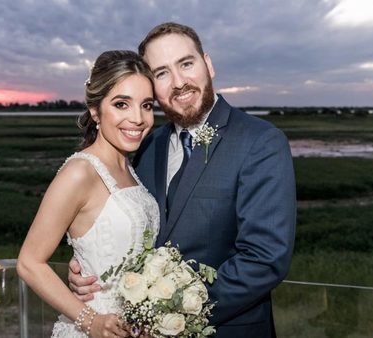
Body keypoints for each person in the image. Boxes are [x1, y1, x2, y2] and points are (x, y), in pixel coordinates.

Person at [69, 22, 297, 338]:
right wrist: (93, 270)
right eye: (161, 73)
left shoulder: (260, 142)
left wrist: (166, 311)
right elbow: (134, 229)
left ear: (209, 64)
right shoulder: (148, 144)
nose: (179, 82)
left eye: (186, 64)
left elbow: (264, 259)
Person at [17, 50, 159, 338]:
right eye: (122, 104)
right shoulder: (80, 172)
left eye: (146, 105)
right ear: (95, 110)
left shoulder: (130, 168)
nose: (138, 118)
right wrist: (91, 321)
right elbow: (29, 263)